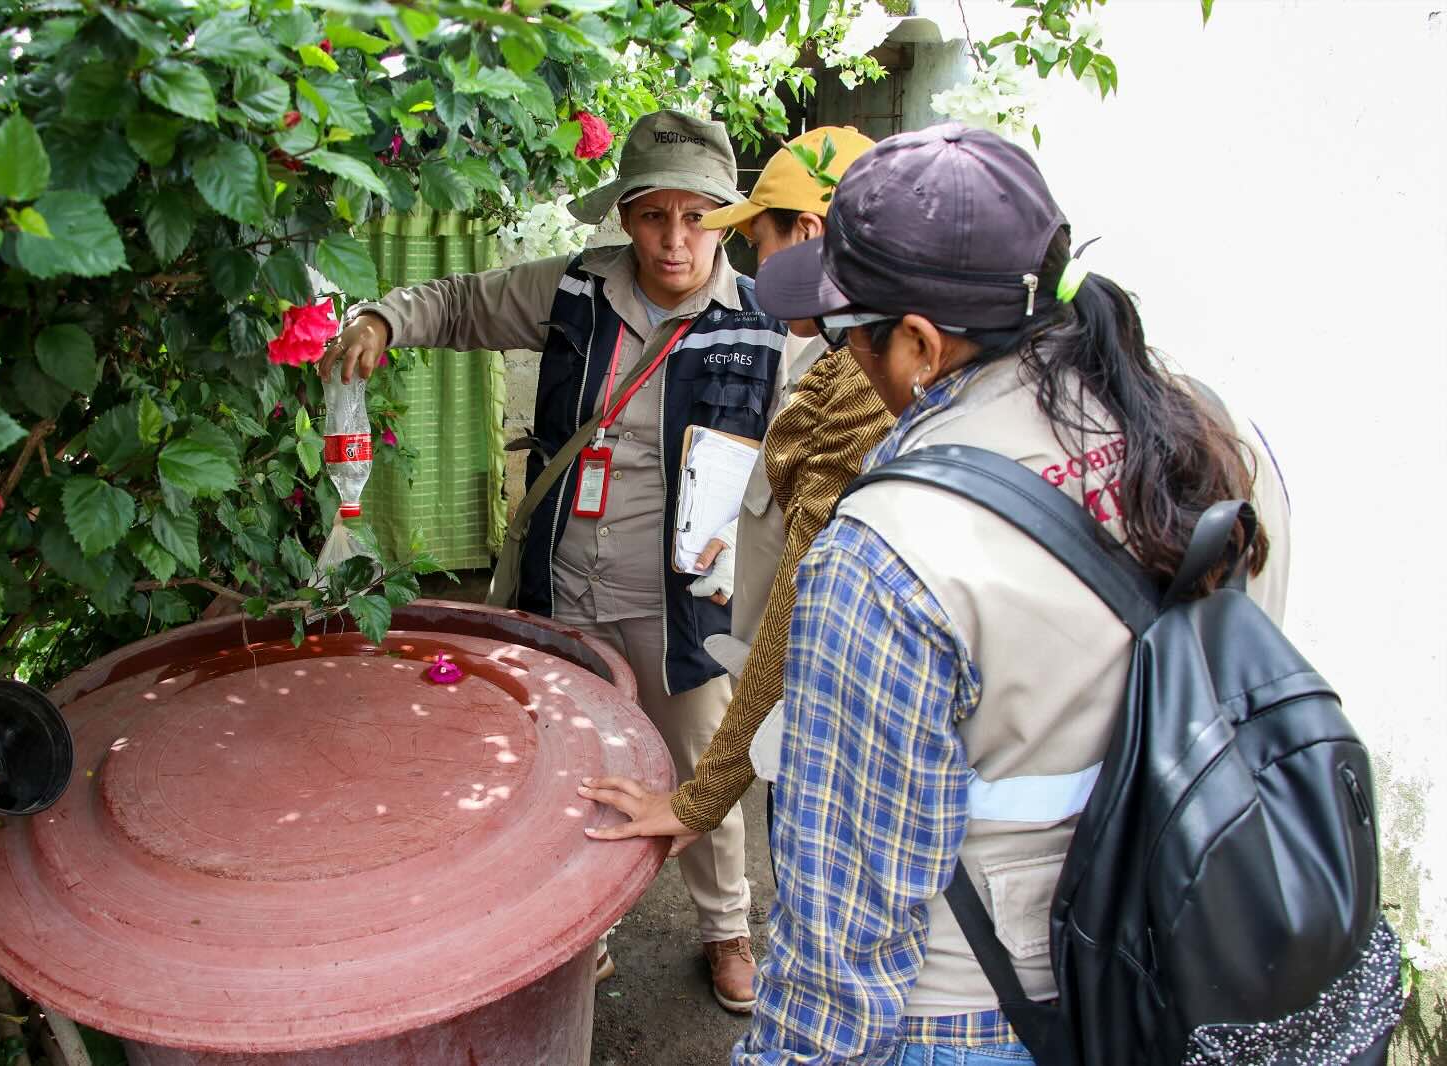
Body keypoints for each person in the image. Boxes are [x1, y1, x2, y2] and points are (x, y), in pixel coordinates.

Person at [729, 124, 1291, 1064]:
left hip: (976, 1013)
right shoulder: (1215, 434)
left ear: (915, 342)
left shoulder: (887, 552)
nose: (840, 356)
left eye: (844, 332)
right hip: (1179, 966)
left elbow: (842, 948)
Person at [320, 110, 787, 1011]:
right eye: (656, 215)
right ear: (628, 215)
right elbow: (459, 301)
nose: (675, 239)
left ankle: (727, 928)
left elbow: (810, 443)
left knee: (705, 766)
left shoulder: (769, 324)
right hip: (565, 580)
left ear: (724, 221)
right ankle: (589, 926)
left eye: (698, 217)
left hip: (685, 596)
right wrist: (381, 316)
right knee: (574, 756)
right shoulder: (575, 291)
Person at [576, 127, 892, 889]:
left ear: (809, 236)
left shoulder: (866, 386)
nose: (744, 263)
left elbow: (795, 601)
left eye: (755, 240)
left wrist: (703, 797)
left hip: (857, 730)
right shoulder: (852, 363)